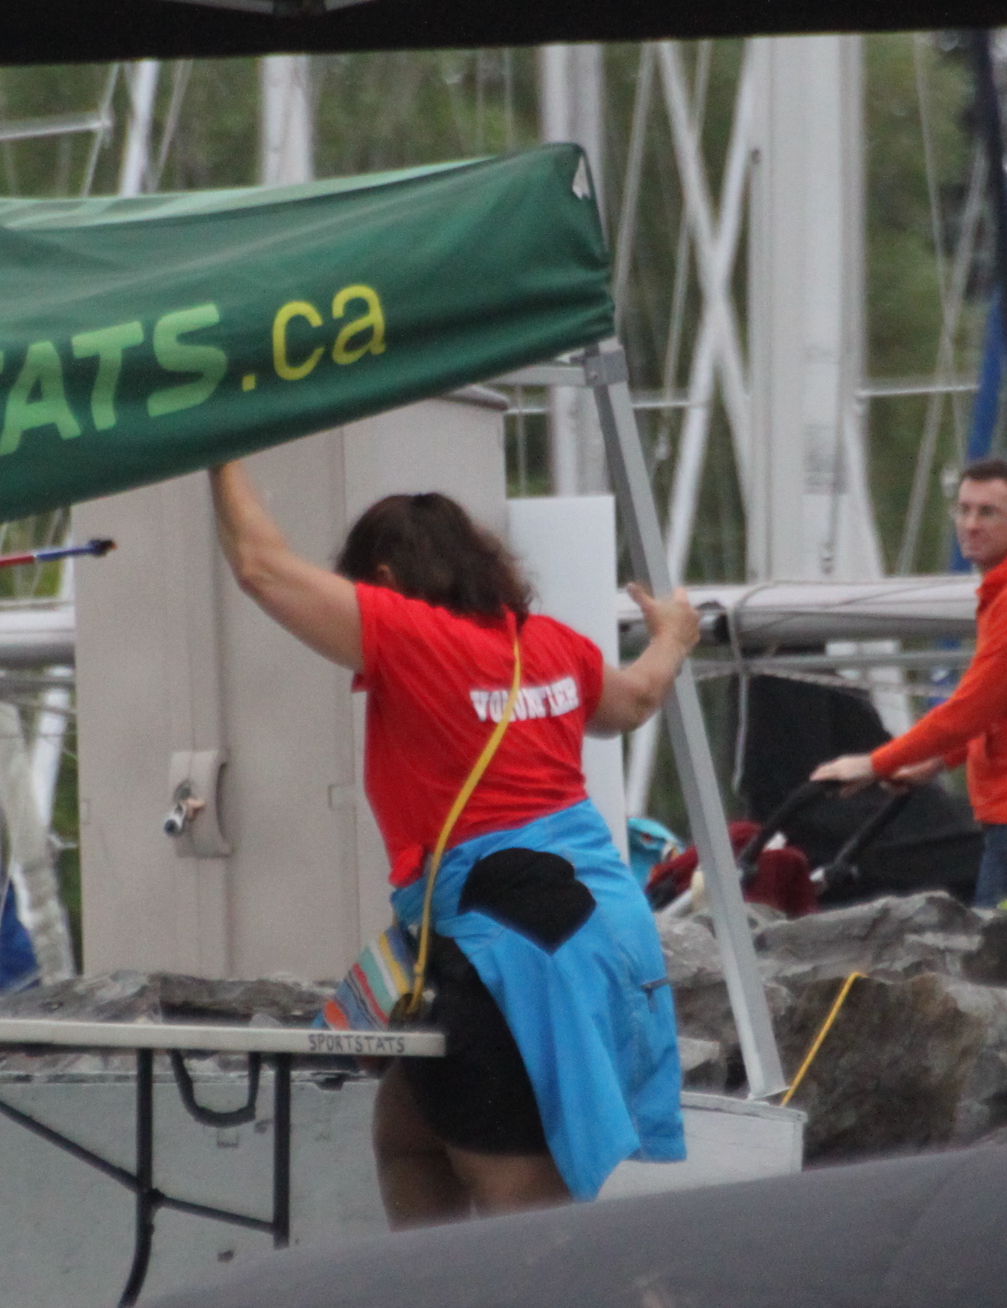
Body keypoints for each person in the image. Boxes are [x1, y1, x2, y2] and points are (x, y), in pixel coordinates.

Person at [210, 463, 695, 1226]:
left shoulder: (409, 633)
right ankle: (433, 1294)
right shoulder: (547, 644)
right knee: (406, 1137)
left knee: (526, 1220)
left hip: (515, 949)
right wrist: (673, 636)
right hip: (609, 935)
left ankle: (459, 1301)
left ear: (383, 579)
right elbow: (633, 700)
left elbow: (261, 568)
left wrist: (222, 455)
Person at [808, 458, 1007, 910]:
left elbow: (973, 708)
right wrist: (936, 762)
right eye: (963, 510)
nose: (970, 524)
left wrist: (874, 763)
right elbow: (1002, 706)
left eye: (987, 512)